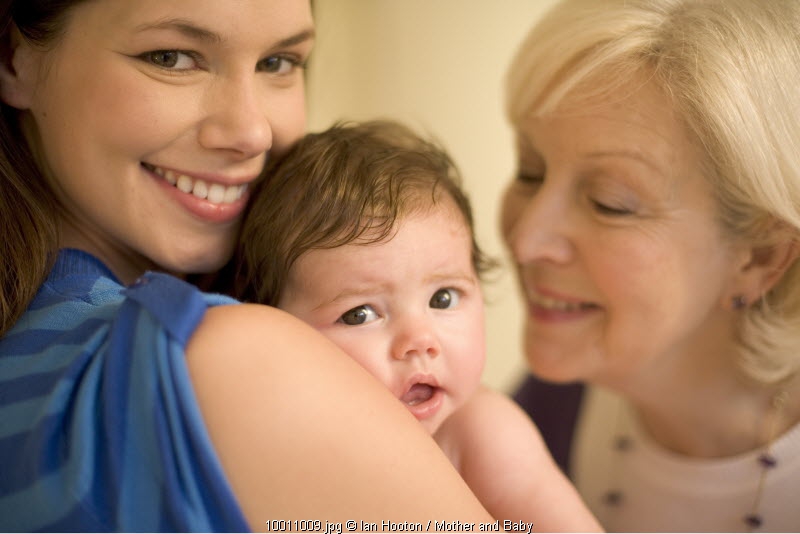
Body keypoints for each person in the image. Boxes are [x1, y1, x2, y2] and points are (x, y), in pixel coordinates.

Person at [0, 1, 497, 531]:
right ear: (13, 58)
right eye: (171, 57)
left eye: (278, 62)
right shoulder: (230, 366)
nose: (250, 131)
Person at [501, 0, 800, 531]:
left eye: (610, 202)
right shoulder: (542, 414)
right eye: (530, 170)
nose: (526, 241)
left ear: (760, 257)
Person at [219, 119, 602, 532]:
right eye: (360, 314)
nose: (419, 341)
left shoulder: (480, 434)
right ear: (276, 332)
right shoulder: (277, 444)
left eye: (443, 298)